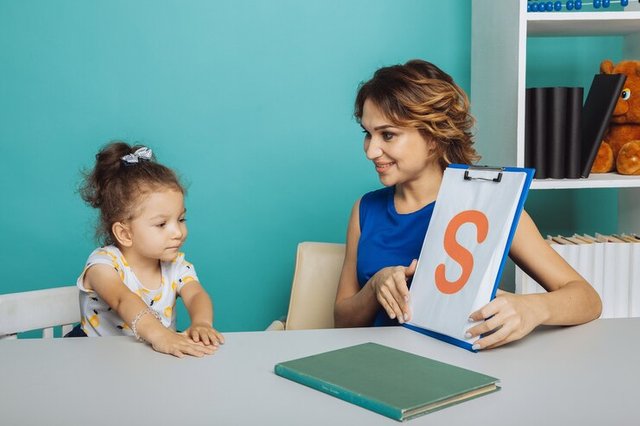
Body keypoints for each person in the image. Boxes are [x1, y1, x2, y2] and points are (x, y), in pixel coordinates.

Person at [334, 59, 602, 350]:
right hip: (376, 367)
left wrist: (532, 309)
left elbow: (587, 298)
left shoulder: (489, 206)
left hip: (458, 371)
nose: (371, 151)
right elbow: (341, 321)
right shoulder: (365, 210)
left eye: (387, 135)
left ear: (433, 137)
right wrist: (374, 288)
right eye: (367, 134)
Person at [71, 141, 224, 358]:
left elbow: (196, 294)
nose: (178, 232)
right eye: (162, 224)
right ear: (125, 234)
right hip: (97, 358)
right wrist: (161, 336)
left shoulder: (176, 266)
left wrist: (202, 322)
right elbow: (123, 299)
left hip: (150, 356)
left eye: (181, 219)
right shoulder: (103, 265)